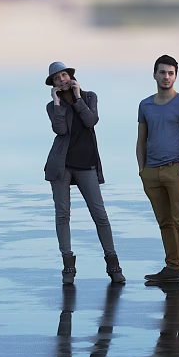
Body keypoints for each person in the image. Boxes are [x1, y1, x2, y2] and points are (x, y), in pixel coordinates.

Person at [44, 61, 125, 284]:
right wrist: (58, 102)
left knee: (100, 214)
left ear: (71, 76)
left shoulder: (89, 97)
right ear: (53, 83)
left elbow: (91, 121)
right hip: (61, 165)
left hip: (86, 164)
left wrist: (77, 98)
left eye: (64, 75)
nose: (62, 79)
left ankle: (112, 263)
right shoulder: (53, 106)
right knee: (63, 214)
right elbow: (60, 129)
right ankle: (68, 264)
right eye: (57, 78)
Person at [137, 55, 179, 288]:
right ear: (154, 74)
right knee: (164, 221)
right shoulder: (145, 105)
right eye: (162, 72)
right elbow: (141, 140)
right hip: (151, 172)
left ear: (176, 76)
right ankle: (173, 267)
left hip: (175, 170)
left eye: (171, 73)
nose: (166, 77)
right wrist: (142, 170)